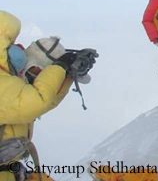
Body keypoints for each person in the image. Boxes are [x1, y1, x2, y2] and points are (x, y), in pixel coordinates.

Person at [0, 11, 96, 181]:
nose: (16, 49)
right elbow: (36, 101)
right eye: (10, 44)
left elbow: (46, 98)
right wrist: (59, 67)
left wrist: (66, 74)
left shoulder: (7, 81)